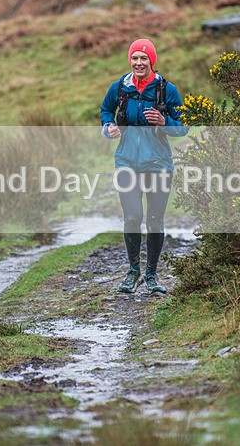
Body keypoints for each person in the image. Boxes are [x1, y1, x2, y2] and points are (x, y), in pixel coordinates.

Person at [101, 39, 188, 294]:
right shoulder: (120, 88)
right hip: (126, 161)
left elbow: (183, 126)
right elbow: (106, 110)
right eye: (135, 58)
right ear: (130, 60)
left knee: (154, 220)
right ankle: (133, 272)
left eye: (144, 58)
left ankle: (151, 275)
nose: (139, 63)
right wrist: (109, 127)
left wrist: (164, 121)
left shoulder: (167, 90)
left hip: (158, 164)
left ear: (152, 61)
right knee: (132, 217)